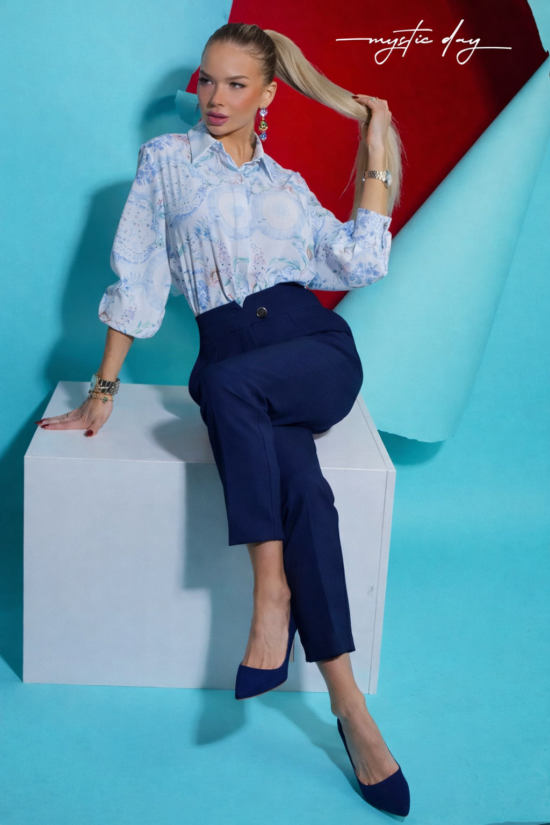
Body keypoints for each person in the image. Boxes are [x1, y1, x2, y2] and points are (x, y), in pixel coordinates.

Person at [35, 23, 409, 817]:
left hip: (312, 352)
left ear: (268, 95)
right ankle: (351, 709)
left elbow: (361, 261)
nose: (215, 97)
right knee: (304, 490)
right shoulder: (167, 163)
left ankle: (270, 597)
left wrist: (378, 144)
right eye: (207, 80)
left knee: (230, 385)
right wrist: (104, 388)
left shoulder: (289, 187)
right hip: (233, 359)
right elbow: (138, 275)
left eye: (236, 84)